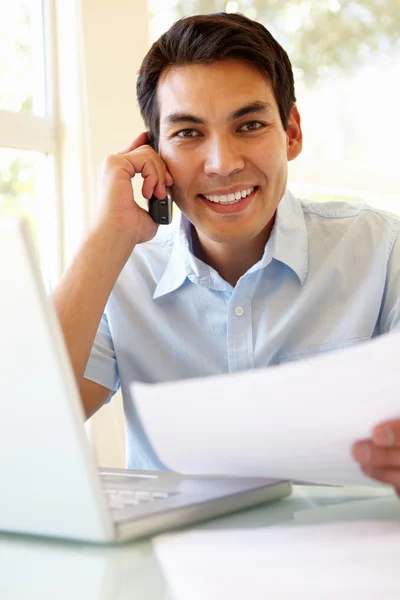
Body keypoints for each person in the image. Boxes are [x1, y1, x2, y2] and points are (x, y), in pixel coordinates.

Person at [53, 12, 400, 492]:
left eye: (250, 124)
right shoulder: (122, 275)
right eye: (188, 133)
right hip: (167, 562)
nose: (222, 165)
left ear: (291, 133)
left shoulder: (383, 250)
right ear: (153, 154)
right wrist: (103, 237)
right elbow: (27, 425)